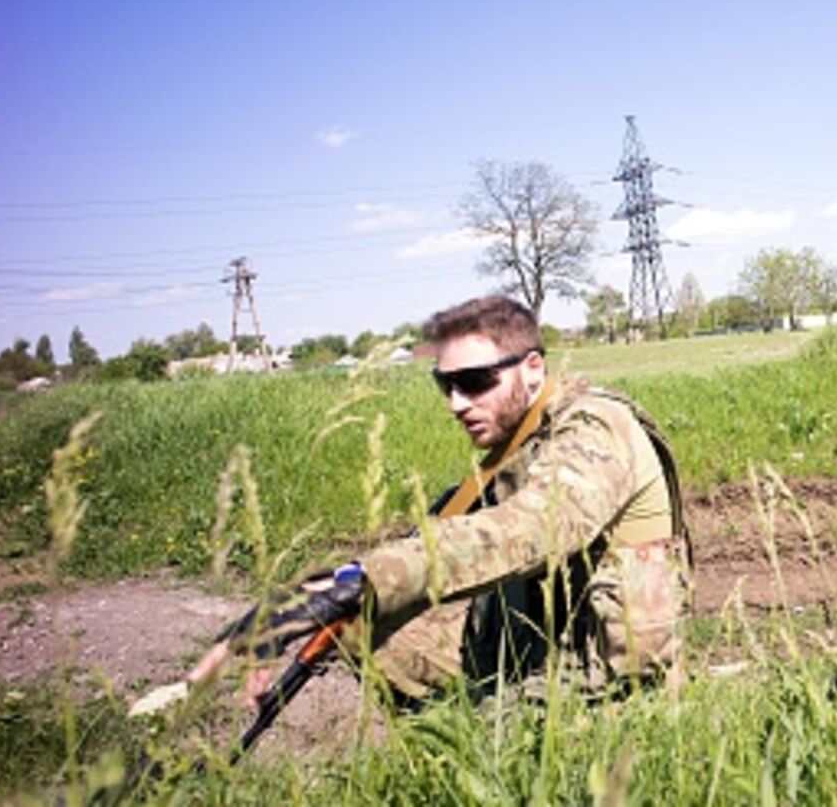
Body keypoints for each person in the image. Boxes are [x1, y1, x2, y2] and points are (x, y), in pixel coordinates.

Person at [189, 295, 690, 707]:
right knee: (361, 621)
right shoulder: (519, 443)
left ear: (533, 369)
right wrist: (311, 595)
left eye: (474, 382)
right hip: (544, 650)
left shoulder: (595, 425)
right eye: (444, 384)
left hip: (610, 684)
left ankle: (483, 748)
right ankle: (445, 752)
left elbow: (537, 527)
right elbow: (432, 541)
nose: (456, 403)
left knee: (379, 596)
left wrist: (370, 579)